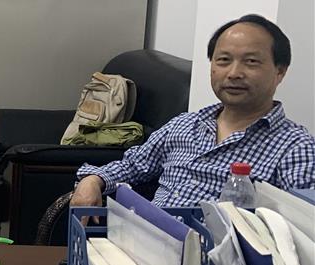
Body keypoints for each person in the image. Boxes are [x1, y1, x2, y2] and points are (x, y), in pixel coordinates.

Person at [71, 14, 315, 207]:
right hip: (146, 244)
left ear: (280, 71)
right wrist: (94, 180)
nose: (234, 73)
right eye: (223, 60)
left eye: (251, 62)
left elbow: (302, 228)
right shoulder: (185, 125)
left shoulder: (295, 147)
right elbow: (133, 166)